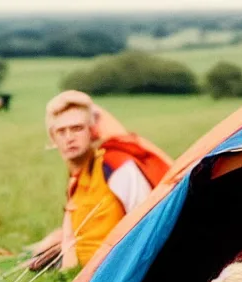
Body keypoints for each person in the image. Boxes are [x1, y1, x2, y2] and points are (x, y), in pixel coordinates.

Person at [30, 90, 170, 270]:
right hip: (83, 273)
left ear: (92, 131)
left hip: (120, 270)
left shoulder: (116, 165)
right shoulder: (76, 178)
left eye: (77, 128)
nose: (69, 138)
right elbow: (70, 237)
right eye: (61, 131)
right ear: (53, 137)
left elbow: (147, 222)